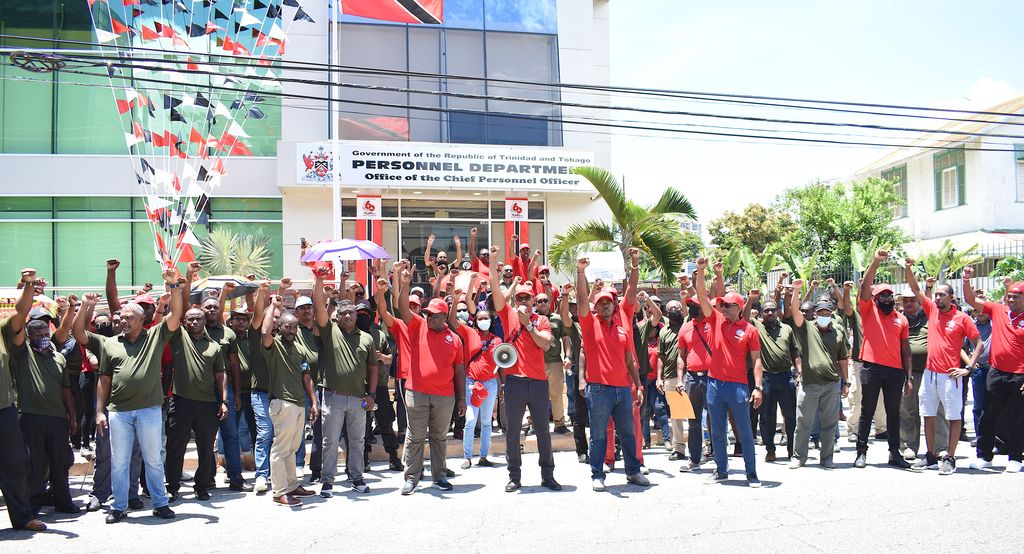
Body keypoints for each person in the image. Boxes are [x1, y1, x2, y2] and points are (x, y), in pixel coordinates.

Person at [96, 265, 183, 524]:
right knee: (119, 462)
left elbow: (177, 313)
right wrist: (100, 410)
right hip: (118, 413)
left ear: (141, 319)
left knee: (154, 459)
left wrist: (174, 285)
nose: (122, 321)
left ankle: (160, 503)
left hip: (148, 410)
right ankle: (119, 506)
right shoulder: (111, 343)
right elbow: (104, 379)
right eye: (121, 317)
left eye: (127, 317)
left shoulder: (156, 335)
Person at [381, 264, 466, 495]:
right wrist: (406, 282)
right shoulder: (418, 326)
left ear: (443, 316)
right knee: (415, 436)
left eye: (432, 315)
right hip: (416, 392)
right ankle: (411, 477)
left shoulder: (455, 340)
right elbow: (401, 309)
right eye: (426, 313)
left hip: (445, 396)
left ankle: (439, 476)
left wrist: (461, 398)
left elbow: (459, 371)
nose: (428, 317)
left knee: (439, 437)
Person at [574, 253, 650, 491]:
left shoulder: (622, 328)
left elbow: (630, 361)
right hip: (598, 390)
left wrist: (637, 386)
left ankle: (633, 472)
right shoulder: (589, 324)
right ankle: (597, 474)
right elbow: (581, 299)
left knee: (628, 434)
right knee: (598, 435)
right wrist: (581, 272)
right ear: (595, 307)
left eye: (608, 302)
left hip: (623, 389)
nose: (605, 305)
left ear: (613, 305)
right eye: (601, 303)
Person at [489, 245, 560, 492]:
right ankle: (514, 476)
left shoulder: (541, 320)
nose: (523, 301)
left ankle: (547, 475)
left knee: (543, 432)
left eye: (526, 298)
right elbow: (496, 291)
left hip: (538, 382)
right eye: (519, 297)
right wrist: (494, 261)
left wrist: (528, 324)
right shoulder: (506, 314)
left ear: (533, 299)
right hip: (516, 382)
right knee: (512, 434)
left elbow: (545, 343)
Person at [904, 260, 982, 474]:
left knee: (953, 416)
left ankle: (950, 456)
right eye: (936, 294)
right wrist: (909, 267)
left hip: (951, 375)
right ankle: (930, 456)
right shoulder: (932, 310)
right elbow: (916, 289)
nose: (937, 298)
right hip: (929, 374)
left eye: (941, 295)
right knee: (927, 415)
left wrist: (968, 368)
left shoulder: (962, 318)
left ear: (951, 298)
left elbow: (979, 343)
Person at [693, 258, 764, 487]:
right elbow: (703, 296)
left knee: (744, 432)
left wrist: (758, 387)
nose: (722, 308)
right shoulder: (715, 321)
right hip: (714, 385)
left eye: (727, 305)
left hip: (737, 387)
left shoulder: (750, 330)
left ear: (739, 307)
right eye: (722, 305)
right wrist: (702, 272)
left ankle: (751, 473)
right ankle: (721, 470)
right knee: (718, 432)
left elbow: (756, 361)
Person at [311, 271, 378, 497]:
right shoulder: (329, 332)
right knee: (329, 442)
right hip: (333, 396)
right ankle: (328, 481)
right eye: (344, 313)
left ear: (356, 315)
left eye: (351, 312)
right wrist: (319, 282)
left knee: (357, 441)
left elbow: (373, 368)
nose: (348, 315)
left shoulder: (366, 338)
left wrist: (371, 395)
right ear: (337, 317)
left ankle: (357, 477)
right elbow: (319, 308)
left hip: (359, 398)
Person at [258, 290, 320, 506]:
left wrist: (313, 402)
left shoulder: (300, 349)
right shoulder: (273, 345)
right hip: (282, 402)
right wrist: (274, 307)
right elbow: (265, 331)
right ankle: (279, 491)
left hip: (298, 403)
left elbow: (306, 376)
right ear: (280, 327)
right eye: (287, 327)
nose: (291, 330)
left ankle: (293, 485)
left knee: (292, 449)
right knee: (280, 449)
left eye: (294, 327)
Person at [853, 251, 913, 470]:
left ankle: (894, 453)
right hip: (871, 367)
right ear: (875, 299)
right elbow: (866, 285)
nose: (887, 299)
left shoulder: (902, 319)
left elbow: (905, 349)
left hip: (895, 371)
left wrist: (908, 376)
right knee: (866, 411)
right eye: (883, 296)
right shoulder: (868, 310)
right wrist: (876, 261)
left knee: (893, 413)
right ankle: (861, 453)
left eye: (890, 295)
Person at [164, 304, 228, 502]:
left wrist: (223, 400)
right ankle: (172, 486)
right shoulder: (178, 338)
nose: (194, 322)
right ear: (184, 322)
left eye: (198, 319)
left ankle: (201, 486)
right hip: (180, 401)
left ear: (204, 321)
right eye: (190, 319)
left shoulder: (214, 347)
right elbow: (177, 309)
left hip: (207, 403)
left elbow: (220, 375)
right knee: (175, 447)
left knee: (206, 447)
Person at [0, 269, 47, 532]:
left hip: (4, 409)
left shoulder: (3, 330)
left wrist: (28, 285)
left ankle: (21, 517)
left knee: (16, 461)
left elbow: (20, 312)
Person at [963, 270, 1024, 472]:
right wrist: (966, 279)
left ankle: (1015, 458)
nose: (1012, 299)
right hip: (996, 372)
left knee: (1018, 417)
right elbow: (970, 300)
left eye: (1016, 296)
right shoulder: (999, 310)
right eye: (1010, 296)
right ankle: (984, 457)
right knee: (987, 415)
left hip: (1020, 375)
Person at [788, 284, 849, 470]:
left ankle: (827, 458)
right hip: (810, 384)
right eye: (820, 313)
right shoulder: (806, 329)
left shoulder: (837, 333)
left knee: (830, 423)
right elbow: (795, 311)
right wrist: (797, 291)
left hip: (831, 384)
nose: (823, 316)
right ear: (814, 314)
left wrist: (846, 382)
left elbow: (843, 359)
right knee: (803, 422)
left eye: (826, 313)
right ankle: (799, 457)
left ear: (831, 315)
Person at [450, 291, 504, 469]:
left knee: (487, 422)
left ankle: (483, 456)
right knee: (470, 420)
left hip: (490, 384)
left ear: (491, 320)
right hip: (472, 383)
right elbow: (452, 321)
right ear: (475, 321)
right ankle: (467, 457)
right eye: (479, 319)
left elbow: (501, 363)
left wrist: (502, 385)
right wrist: (456, 298)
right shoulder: (469, 333)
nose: (483, 321)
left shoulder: (497, 340)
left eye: (485, 318)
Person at [202, 296, 248, 492]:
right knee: (207, 436)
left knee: (231, 434)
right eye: (208, 307)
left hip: (225, 389)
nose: (212, 310)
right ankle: (207, 477)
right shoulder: (195, 328)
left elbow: (234, 364)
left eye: (215, 307)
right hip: (202, 390)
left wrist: (236, 393)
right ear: (202, 309)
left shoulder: (228, 333)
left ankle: (235, 477)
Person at [748, 297, 800, 461]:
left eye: (773, 309)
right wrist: (750, 299)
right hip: (767, 378)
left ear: (777, 311)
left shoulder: (787, 329)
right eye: (766, 310)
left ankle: (792, 451)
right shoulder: (757, 326)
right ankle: (770, 449)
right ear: (762, 313)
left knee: (790, 416)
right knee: (766, 417)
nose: (770, 312)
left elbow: (795, 351)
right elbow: (743, 317)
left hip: (786, 377)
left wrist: (799, 372)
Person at [355, 297, 400, 473]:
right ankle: (364, 458)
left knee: (385, 422)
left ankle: (394, 457)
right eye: (359, 315)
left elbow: (391, 358)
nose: (362, 317)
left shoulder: (379, 334)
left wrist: (382, 357)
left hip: (380, 385)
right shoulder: (351, 334)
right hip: (359, 386)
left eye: (365, 314)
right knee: (362, 425)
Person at [292, 294, 321, 482]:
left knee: (319, 429)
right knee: (299, 428)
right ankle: (298, 464)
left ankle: (317, 469)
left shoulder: (321, 329)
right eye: (302, 308)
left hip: (322, 384)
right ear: (296, 312)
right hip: (300, 384)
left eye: (309, 307)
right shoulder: (293, 330)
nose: (307, 310)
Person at [537, 291, 571, 435]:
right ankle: (535, 422)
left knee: (556, 394)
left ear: (549, 302)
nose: (543, 303)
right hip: (536, 363)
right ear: (535, 304)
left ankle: (559, 423)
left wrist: (568, 356)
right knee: (536, 396)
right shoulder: (532, 319)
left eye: (545, 300)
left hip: (555, 362)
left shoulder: (557, 319)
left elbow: (565, 339)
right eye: (539, 301)